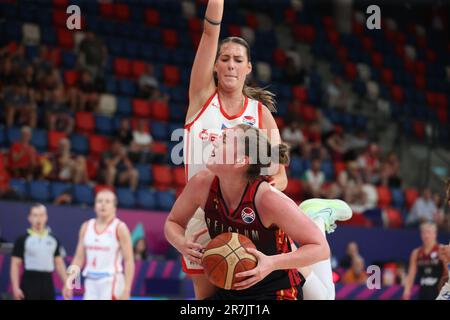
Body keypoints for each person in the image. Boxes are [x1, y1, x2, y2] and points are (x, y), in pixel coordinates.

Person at [182, 0, 351, 300]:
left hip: (249, 217)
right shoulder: (201, 99)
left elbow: (279, 176)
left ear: (248, 67)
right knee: (207, 301)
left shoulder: (259, 114)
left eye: (238, 59)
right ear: (215, 65)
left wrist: (266, 196)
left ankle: (313, 222)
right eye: (224, 58)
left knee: (319, 299)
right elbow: (209, 34)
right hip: (203, 215)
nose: (231, 64)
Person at [165, 125, 330, 299]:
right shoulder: (201, 184)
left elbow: (321, 249)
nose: (214, 143)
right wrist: (181, 243)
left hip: (276, 290)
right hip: (229, 292)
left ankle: (318, 219)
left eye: (224, 141)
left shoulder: (267, 199)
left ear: (241, 161)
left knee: (324, 296)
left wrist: (272, 263)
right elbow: (173, 222)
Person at [63, 190, 134, 300]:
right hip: (91, 281)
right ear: (95, 206)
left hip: (111, 281)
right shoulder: (86, 226)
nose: (103, 204)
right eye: (99, 201)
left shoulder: (120, 228)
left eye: (107, 201)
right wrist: (69, 282)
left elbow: (129, 261)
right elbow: (78, 258)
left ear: (114, 207)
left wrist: (127, 289)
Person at [10, 204, 68, 300]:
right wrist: (15, 288)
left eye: (41, 215)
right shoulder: (22, 239)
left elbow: (59, 264)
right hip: (29, 281)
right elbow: (15, 265)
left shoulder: (53, 239)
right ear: (29, 218)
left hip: (48, 282)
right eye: (35, 215)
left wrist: (67, 284)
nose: (38, 219)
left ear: (46, 217)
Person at [403, 222, 446, 300]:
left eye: (429, 232)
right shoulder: (416, 253)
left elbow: (448, 273)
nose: (426, 236)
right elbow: (411, 274)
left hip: (440, 292)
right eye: (424, 233)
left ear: (435, 234)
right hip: (424, 291)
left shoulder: (442, 250)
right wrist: (407, 290)